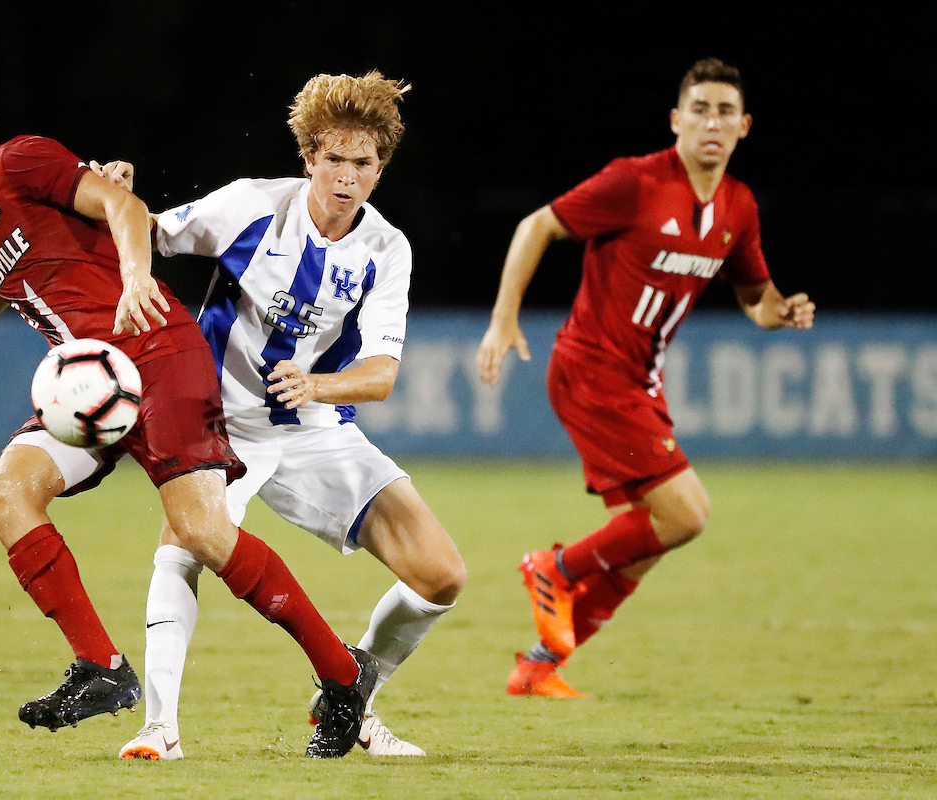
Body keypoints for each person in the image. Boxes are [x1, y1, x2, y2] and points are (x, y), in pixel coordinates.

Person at [0, 60, 376, 758]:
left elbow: (124, 207)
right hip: (91, 387)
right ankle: (101, 668)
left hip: (156, 351)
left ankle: (342, 676)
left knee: (203, 535)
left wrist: (135, 277)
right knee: (6, 493)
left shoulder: (22, 159)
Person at [110, 72, 465, 761]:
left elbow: (382, 376)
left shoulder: (387, 251)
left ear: (380, 169)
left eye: (363, 163)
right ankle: (159, 728)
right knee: (183, 546)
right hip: (217, 423)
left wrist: (320, 384)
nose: (346, 176)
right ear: (308, 158)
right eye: (333, 158)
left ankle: (350, 693)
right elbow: (152, 233)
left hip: (312, 425)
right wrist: (111, 195)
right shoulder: (251, 207)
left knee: (441, 573)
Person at [476, 58, 815, 698]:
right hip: (590, 369)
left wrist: (782, 313)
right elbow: (538, 224)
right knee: (687, 514)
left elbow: (756, 297)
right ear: (676, 120)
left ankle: (539, 665)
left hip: (640, 381)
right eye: (699, 109)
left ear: (743, 127)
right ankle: (554, 567)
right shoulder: (635, 182)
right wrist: (503, 319)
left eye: (723, 112)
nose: (711, 123)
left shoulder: (738, 206)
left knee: (650, 541)